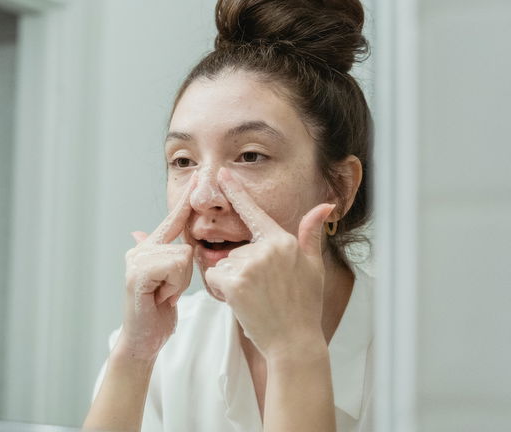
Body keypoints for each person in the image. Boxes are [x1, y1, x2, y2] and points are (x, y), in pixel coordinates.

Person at [83, 0, 373, 430]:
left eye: (250, 155)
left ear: (340, 187)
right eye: (182, 161)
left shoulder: (431, 358)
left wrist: (295, 349)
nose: (203, 196)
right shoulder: (170, 348)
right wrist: (134, 353)